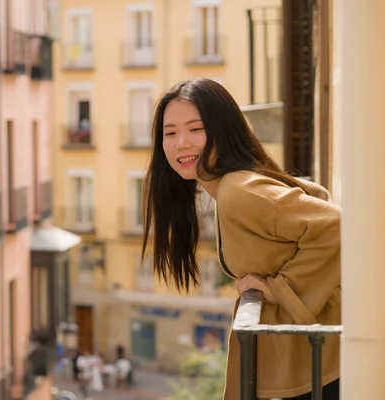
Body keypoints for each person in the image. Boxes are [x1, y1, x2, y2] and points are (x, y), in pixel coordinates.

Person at [141, 78, 341, 400]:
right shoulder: (231, 188)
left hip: (321, 365)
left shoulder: (239, 191)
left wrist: (279, 287)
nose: (182, 143)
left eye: (196, 129)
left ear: (223, 130)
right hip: (305, 363)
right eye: (170, 133)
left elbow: (335, 225)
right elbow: (314, 198)